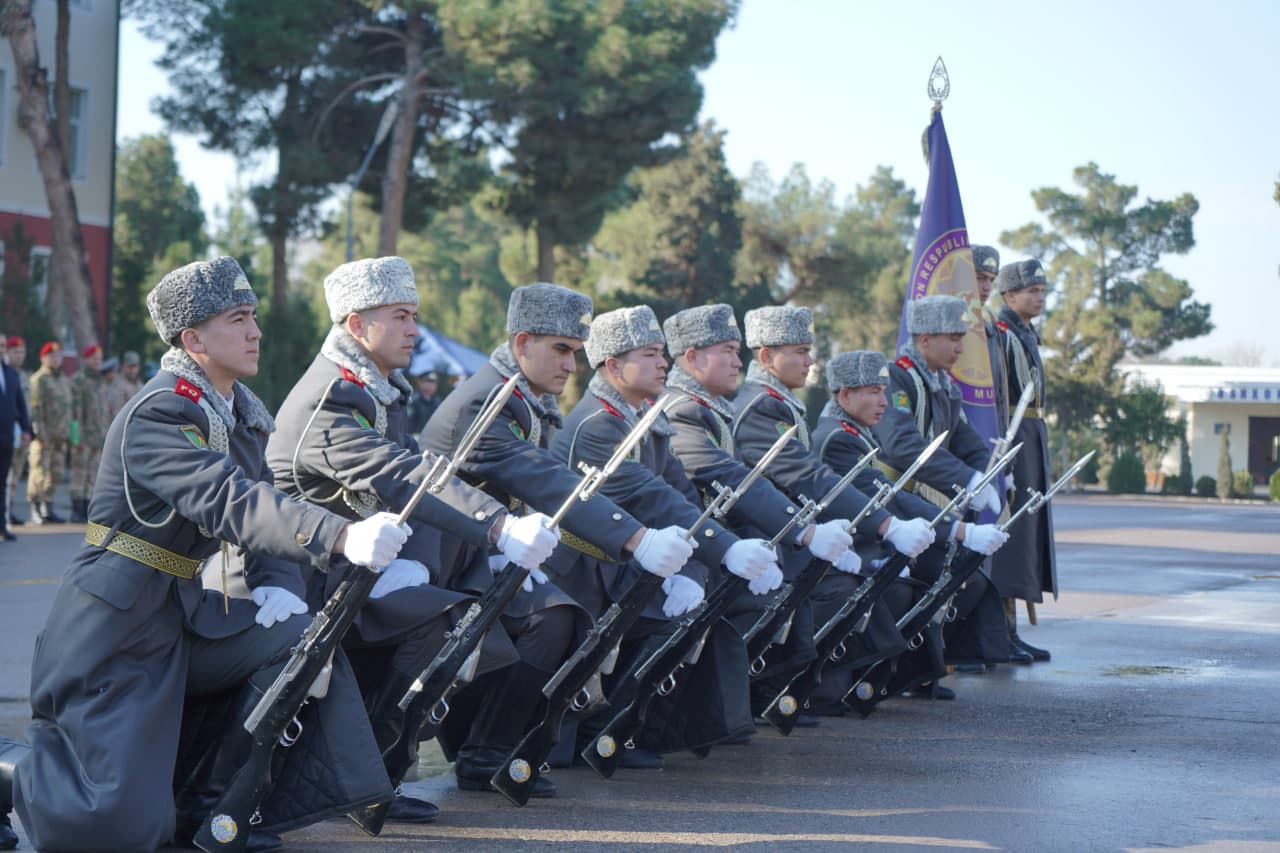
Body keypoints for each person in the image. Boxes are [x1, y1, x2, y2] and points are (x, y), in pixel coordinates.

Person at [2, 257, 410, 853]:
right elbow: (227, 499)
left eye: (254, 317)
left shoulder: (237, 413)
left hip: (182, 616)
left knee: (299, 638)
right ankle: (9, 770)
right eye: (237, 319)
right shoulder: (162, 410)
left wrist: (277, 582)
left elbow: (264, 495)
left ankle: (213, 808)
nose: (255, 332)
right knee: (114, 827)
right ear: (193, 340)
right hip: (114, 629)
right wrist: (340, 535)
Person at [267, 256, 562, 809]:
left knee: (462, 610)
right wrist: (499, 526)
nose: (413, 330)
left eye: (414, 316)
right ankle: (366, 781)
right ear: (357, 324)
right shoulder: (333, 395)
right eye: (400, 316)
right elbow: (404, 476)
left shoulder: (375, 388)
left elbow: (419, 476)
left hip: (356, 570)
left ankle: (383, 775)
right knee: (440, 617)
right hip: (304, 577)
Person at [421, 282, 695, 790]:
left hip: (484, 554)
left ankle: (496, 748)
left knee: (559, 613)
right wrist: (638, 540)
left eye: (575, 352)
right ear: (523, 343)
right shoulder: (488, 401)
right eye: (561, 349)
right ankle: (485, 751)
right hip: (442, 561)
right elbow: (545, 481)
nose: (571, 365)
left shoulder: (523, 398)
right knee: (554, 615)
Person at [552, 305, 781, 759]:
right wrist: (725, 550)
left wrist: (695, 570)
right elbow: (652, 496)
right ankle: (604, 733)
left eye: (661, 353)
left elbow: (685, 504)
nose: (663, 363)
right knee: (665, 620)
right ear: (613, 365)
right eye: (650, 355)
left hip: (626, 563)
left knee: (699, 608)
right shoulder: (598, 424)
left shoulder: (644, 419)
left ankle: (638, 732)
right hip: (582, 570)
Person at [731, 306, 938, 710]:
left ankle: (823, 691)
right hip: (766, 540)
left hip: (789, 535)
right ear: (767, 357)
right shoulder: (762, 407)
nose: (810, 361)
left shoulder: (779, 403)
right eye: (800, 351)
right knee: (844, 587)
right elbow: (808, 478)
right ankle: (790, 694)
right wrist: (887, 526)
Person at [662, 304, 861, 722]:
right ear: (692, 357)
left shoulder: (711, 407)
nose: (739, 361)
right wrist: (805, 532)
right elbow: (736, 480)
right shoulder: (684, 410)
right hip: (690, 552)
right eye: (728, 351)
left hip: (725, 541)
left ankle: (755, 704)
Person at [815, 350, 1009, 701]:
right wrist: (960, 530)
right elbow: (886, 498)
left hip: (874, 538)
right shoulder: (838, 438)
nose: (884, 402)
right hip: (856, 548)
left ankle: (911, 674)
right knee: (927, 575)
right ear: (845, 396)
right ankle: (881, 677)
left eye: (883, 391)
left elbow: (890, 495)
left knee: (959, 569)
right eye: (873, 392)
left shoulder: (858, 432)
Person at [871, 294, 1013, 667]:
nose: (960, 348)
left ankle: (940, 659)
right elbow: (901, 445)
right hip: (891, 502)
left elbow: (966, 440)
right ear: (924, 340)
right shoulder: (895, 378)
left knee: (965, 576)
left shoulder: (943, 383)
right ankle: (907, 666)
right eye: (953, 338)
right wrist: (966, 479)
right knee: (938, 574)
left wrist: (987, 476)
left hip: (931, 501)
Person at [992, 259, 1057, 662]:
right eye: (1032, 291)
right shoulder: (1001, 334)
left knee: (1026, 535)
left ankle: (1010, 631)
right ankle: (1001, 632)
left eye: (1042, 290)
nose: (1040, 297)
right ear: (1009, 295)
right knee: (1012, 536)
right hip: (1014, 432)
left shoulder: (1024, 333)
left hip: (1031, 431)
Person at [25, 341, 72, 524]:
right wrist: (40, 434)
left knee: (56, 474)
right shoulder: (38, 380)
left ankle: (48, 507)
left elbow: (70, 410)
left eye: (58, 356)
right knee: (39, 473)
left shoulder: (64, 380)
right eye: (52, 356)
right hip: (44, 438)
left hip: (60, 437)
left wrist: (72, 434)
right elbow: (35, 409)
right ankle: (35, 508)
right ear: (43, 358)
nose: (56, 359)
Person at [68, 344, 112, 522]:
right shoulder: (78, 380)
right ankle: (76, 509)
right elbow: (74, 411)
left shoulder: (100, 381)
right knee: (79, 472)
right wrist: (75, 437)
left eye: (99, 359)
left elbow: (104, 410)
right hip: (83, 436)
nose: (97, 362)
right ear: (85, 360)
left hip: (98, 435)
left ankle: (88, 506)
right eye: (94, 359)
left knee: (94, 473)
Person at [0, 336, 32, 543]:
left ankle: (2, 526)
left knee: (2, 484)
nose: (1, 349)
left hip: (6, 438)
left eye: (2, 346)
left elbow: (20, 404)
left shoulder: (11, 374)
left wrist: (26, 429)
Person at [106, 350, 144, 418]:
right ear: (123, 366)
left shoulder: (140, 385)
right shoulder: (117, 385)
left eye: (135, 366)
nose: (133, 370)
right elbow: (117, 414)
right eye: (130, 367)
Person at [406, 368, 440, 437]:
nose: (431, 385)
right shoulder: (413, 401)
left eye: (433, 383)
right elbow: (407, 422)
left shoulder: (438, 402)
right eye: (428, 382)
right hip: (414, 437)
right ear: (421, 383)